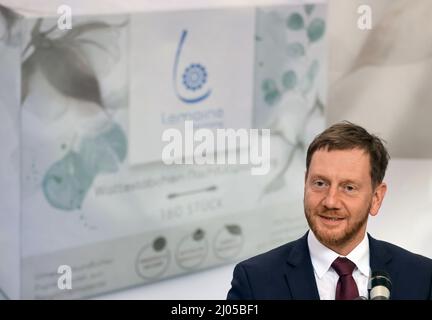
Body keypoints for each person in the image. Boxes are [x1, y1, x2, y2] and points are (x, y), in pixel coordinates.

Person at [227, 121, 432, 300]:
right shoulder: (255, 281)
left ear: (376, 198)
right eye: (320, 183)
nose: (331, 201)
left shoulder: (421, 277)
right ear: (305, 183)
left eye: (348, 187)